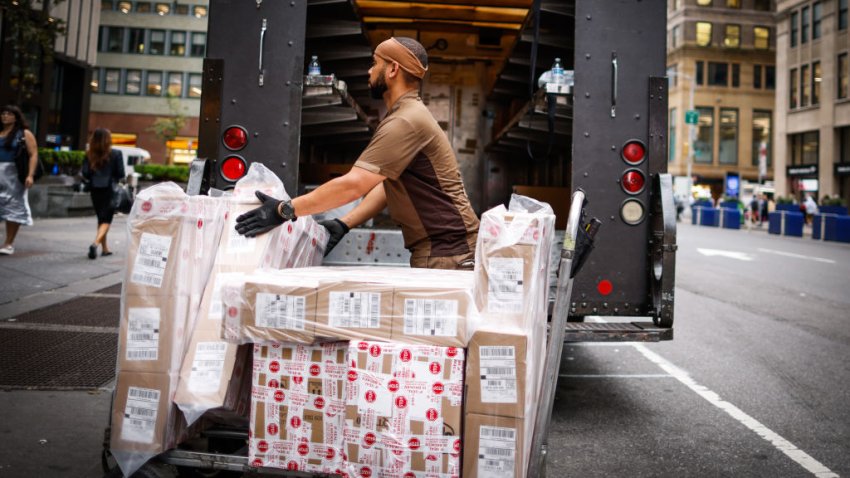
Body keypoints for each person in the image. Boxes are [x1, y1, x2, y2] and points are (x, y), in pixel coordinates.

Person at [235, 37, 480, 270]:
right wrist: (344, 223)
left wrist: (284, 210)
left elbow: (354, 185)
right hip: (446, 250)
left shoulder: (406, 121)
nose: (369, 71)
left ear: (393, 69)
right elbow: (388, 185)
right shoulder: (406, 115)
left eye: (375, 63)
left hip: (448, 252)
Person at [81, 128, 125, 259]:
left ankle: (105, 249)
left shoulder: (89, 154)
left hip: (95, 189)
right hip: (110, 190)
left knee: (101, 218)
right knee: (106, 220)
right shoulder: (116, 154)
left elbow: (85, 173)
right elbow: (121, 174)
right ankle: (95, 244)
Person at [0, 105, 38, 256]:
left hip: (13, 175)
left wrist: (30, 175)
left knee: (14, 207)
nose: (5, 116)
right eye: (3, 113)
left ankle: (9, 243)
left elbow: (33, 154)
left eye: (9, 114)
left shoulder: (24, 134)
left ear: (16, 117)